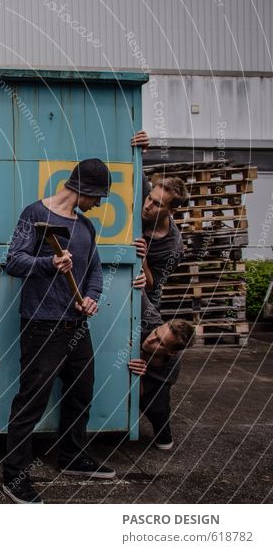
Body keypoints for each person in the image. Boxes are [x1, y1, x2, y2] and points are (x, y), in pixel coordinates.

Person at [1, 158, 116, 505]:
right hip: (42, 324)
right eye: (97, 197)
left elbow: (94, 270)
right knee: (31, 401)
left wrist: (92, 298)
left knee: (81, 393)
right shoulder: (33, 214)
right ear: (86, 189)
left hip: (76, 326)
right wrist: (48, 263)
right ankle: (15, 476)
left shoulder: (85, 228)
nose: (97, 205)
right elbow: (13, 261)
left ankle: (71, 456)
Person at [127, 294, 195, 450]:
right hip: (128, 359)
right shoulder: (152, 320)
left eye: (160, 342)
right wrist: (140, 278)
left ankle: (164, 434)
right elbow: (139, 290)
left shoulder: (169, 369)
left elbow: (139, 396)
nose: (150, 339)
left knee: (157, 408)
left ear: (170, 352)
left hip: (151, 378)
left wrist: (139, 376)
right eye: (156, 333)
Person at [133, 176, 188, 309]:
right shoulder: (146, 192)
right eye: (149, 198)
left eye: (157, 204)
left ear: (171, 211)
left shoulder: (173, 248)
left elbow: (152, 285)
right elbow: (134, 165)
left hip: (146, 303)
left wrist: (142, 257)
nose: (147, 206)